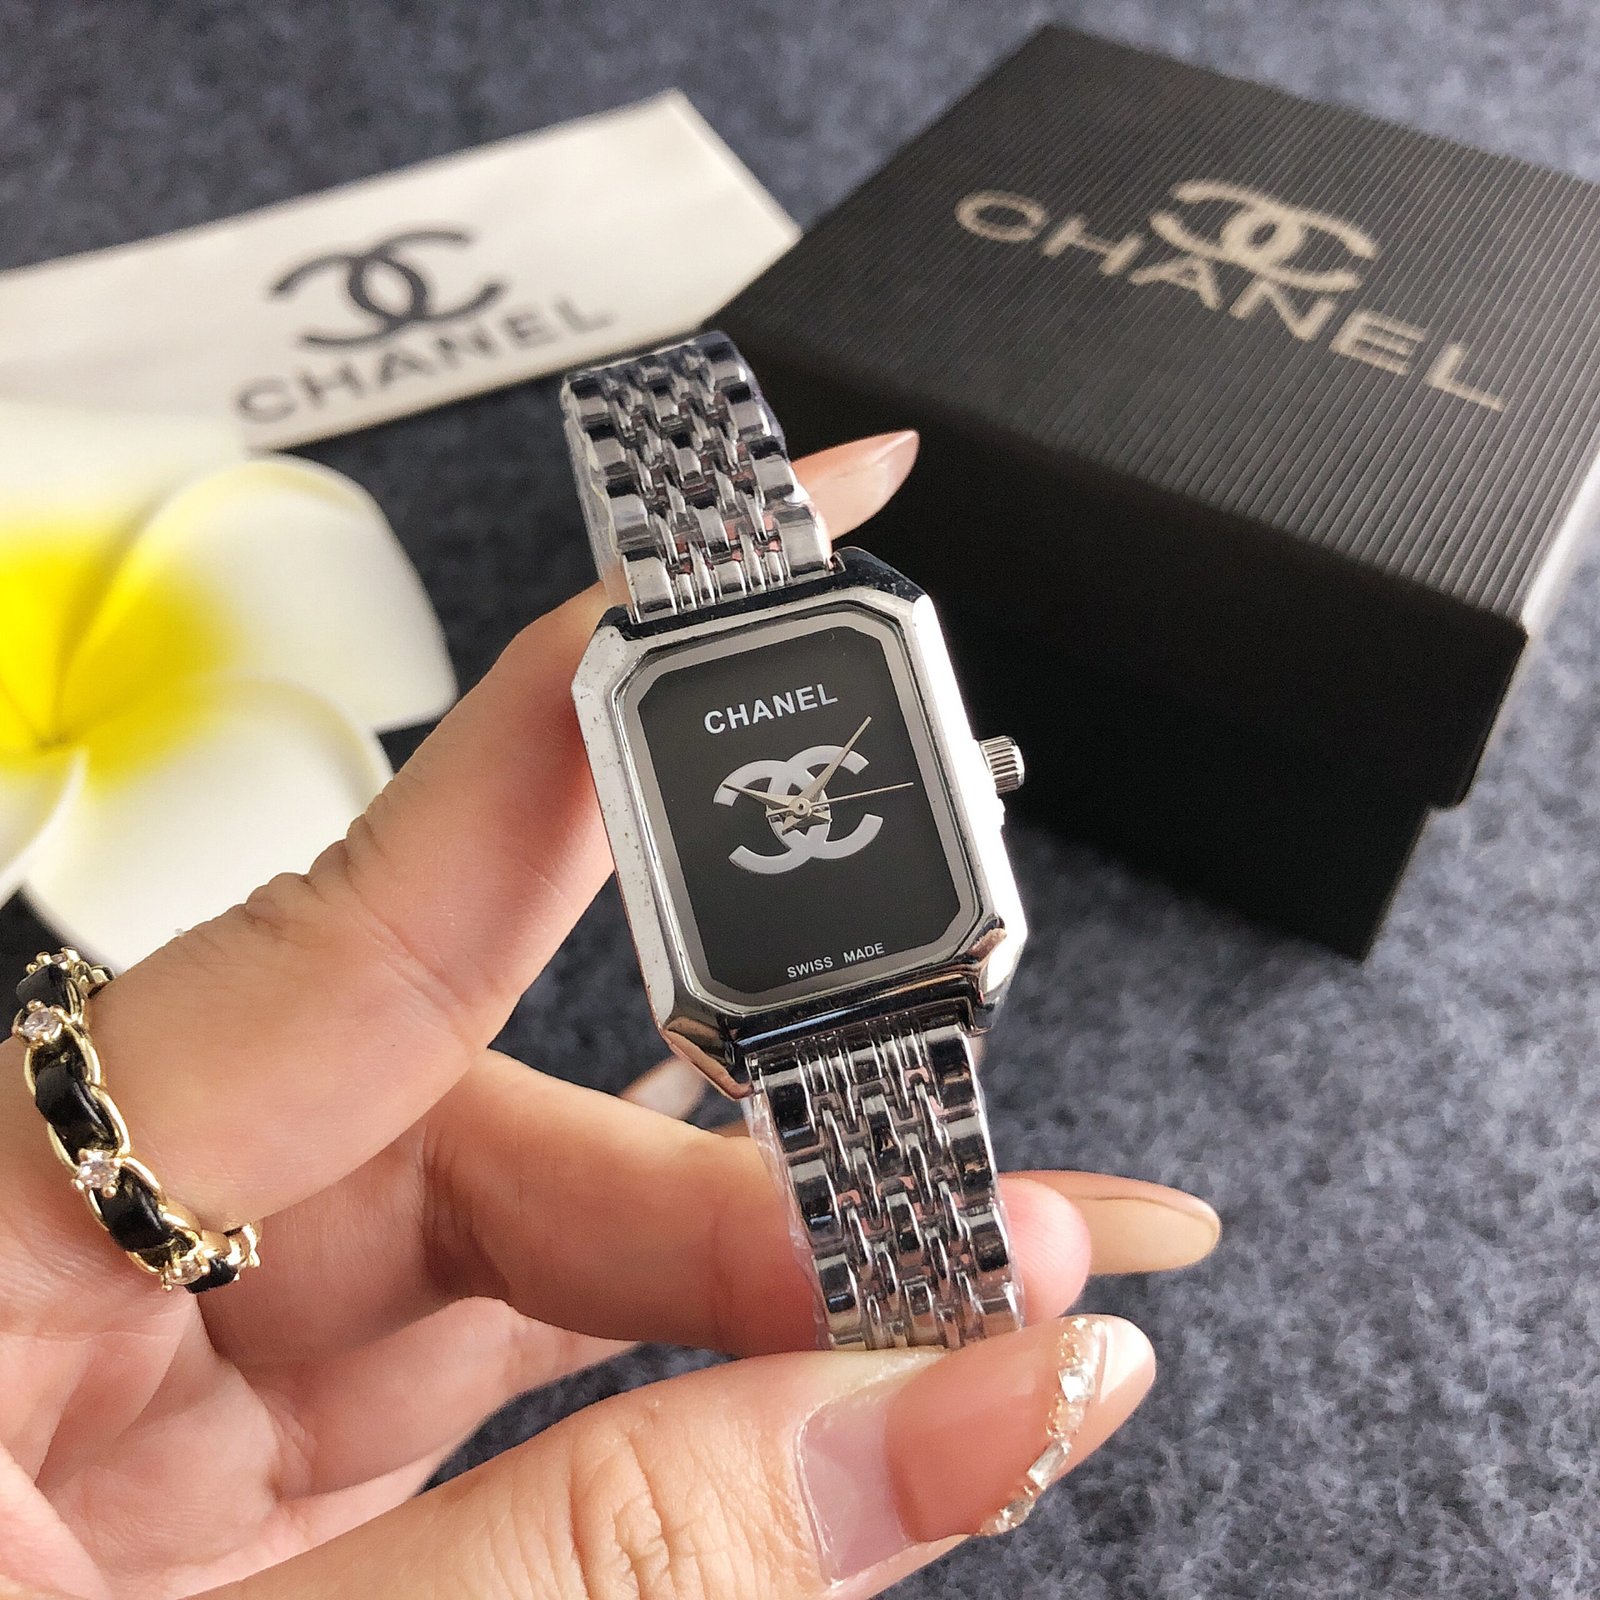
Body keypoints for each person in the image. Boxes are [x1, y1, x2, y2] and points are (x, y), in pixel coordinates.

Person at [0, 433, 1219, 1599]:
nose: (797, 808)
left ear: (970, 769)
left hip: (877, 981)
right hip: (777, 1008)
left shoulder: (869, 659)